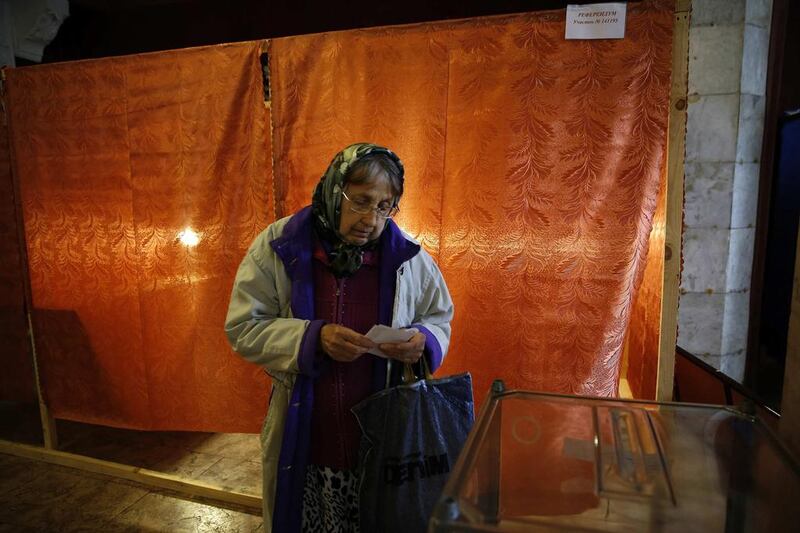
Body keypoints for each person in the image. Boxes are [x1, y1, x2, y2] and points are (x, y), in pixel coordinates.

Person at [225, 142, 454, 533]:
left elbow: (439, 317)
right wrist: (314, 338)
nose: (372, 219)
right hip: (309, 436)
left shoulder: (409, 259)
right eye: (362, 201)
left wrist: (423, 341)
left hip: (383, 442)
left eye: (385, 206)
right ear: (335, 190)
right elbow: (244, 326)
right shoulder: (281, 246)